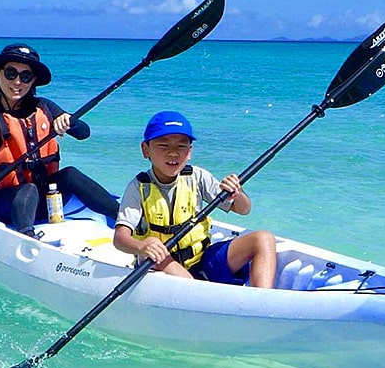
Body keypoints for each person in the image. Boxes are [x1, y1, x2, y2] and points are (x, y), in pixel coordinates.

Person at [0, 43, 118, 236]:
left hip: (47, 200)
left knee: (70, 174)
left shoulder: (45, 108)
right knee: (27, 189)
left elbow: (84, 133)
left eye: (25, 76)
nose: (17, 82)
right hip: (5, 203)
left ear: (33, 81)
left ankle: (127, 220)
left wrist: (69, 121)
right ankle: (27, 238)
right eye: (11, 73)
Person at [113, 111, 277, 288]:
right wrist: (141, 247)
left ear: (189, 151)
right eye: (163, 145)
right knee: (155, 250)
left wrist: (238, 192)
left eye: (181, 146)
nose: (173, 153)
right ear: (146, 150)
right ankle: (199, 293)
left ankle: (262, 297)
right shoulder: (138, 187)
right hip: (163, 264)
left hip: (201, 259)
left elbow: (243, 209)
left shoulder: (197, 176)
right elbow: (120, 238)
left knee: (263, 238)